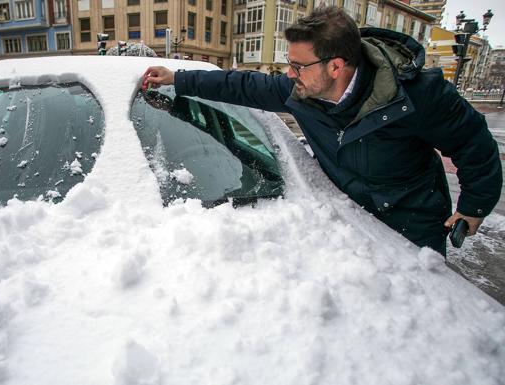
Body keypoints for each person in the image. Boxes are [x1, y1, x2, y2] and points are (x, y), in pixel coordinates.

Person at [142, 6, 502, 256]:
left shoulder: (417, 95)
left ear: (336, 67)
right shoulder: (300, 93)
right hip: (350, 219)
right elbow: (242, 85)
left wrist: (473, 206)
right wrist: (179, 79)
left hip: (412, 222)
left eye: (297, 65)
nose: (288, 74)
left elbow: (473, 143)